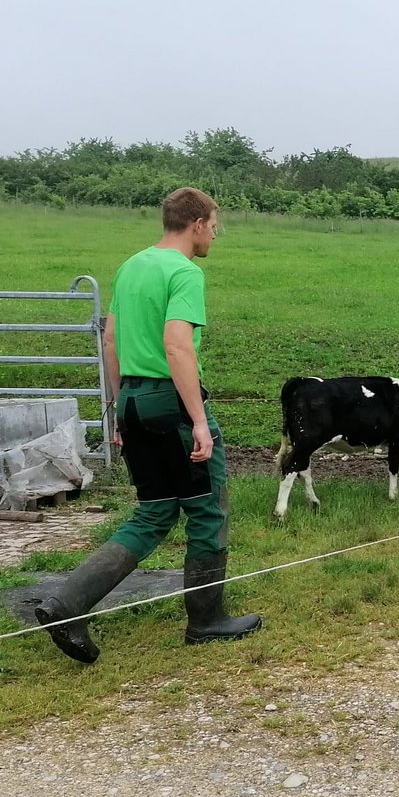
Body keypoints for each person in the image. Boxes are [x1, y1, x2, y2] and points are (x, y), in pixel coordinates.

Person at [35, 187, 261, 664]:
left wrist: (119, 409)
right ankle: (207, 620)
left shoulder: (132, 265)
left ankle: (67, 603)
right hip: (171, 402)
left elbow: (112, 339)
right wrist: (198, 420)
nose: (215, 236)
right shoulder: (184, 272)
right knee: (207, 509)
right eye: (215, 226)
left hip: (134, 399)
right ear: (197, 223)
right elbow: (178, 347)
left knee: (155, 512)